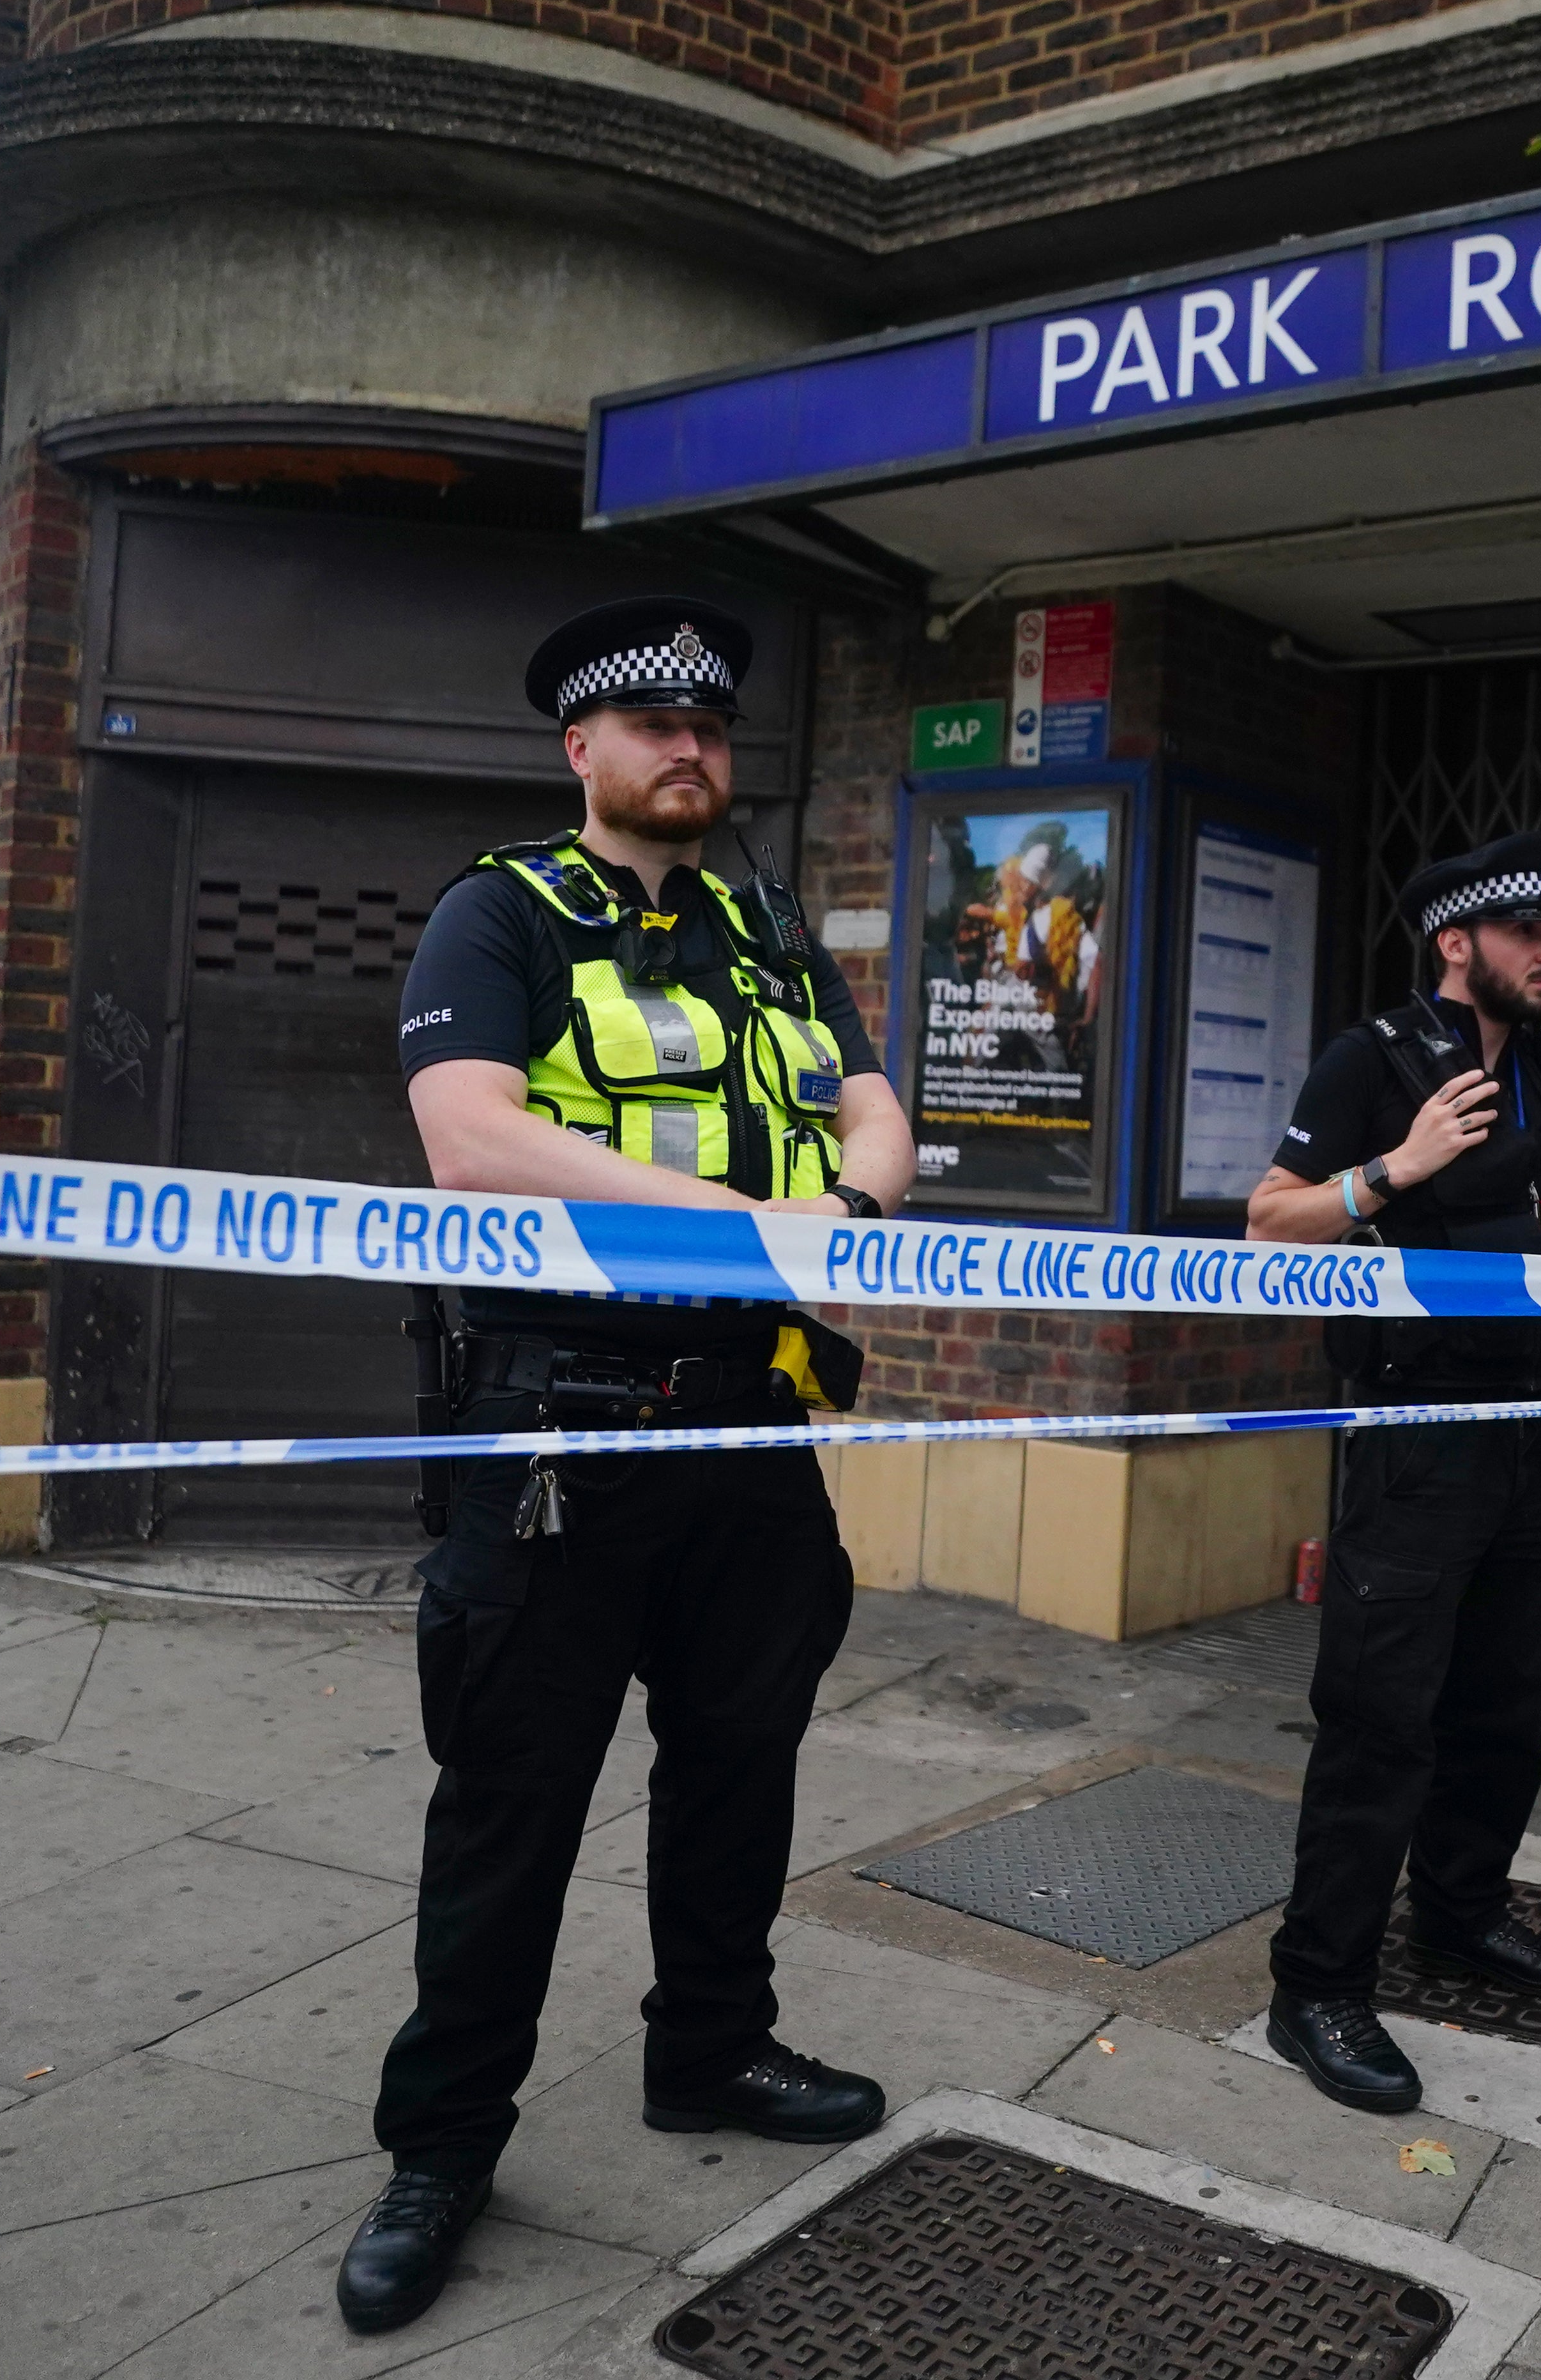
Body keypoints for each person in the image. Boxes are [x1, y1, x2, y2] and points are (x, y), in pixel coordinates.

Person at [334, 596, 916, 2336]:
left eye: (712, 728)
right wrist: (760, 1222)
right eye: (652, 726)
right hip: (561, 1438)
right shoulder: (496, 912)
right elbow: (474, 1139)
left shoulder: (771, 930)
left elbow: (877, 1101)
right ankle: (441, 2148)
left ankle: (712, 2053)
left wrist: (858, 1201)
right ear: (577, 750)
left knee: (743, 1768)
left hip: (754, 1433)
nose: (690, 751)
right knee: (511, 1808)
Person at [1245, 830, 1541, 2112]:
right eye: (1525, 928)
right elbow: (1270, 1216)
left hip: (1528, 1429)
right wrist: (1394, 1168)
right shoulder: (1375, 1059)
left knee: (1503, 1704)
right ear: (1456, 941)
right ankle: (1317, 1986)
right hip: (1415, 1435)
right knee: (1380, 1716)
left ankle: (1462, 1913)